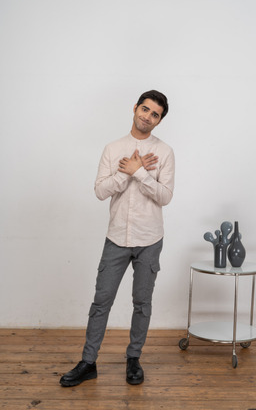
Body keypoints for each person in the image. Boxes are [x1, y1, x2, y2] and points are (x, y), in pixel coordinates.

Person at [60, 90, 175, 387]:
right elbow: (100, 191)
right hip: (116, 238)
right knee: (102, 302)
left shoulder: (165, 153)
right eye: (145, 109)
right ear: (135, 108)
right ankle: (88, 362)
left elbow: (165, 197)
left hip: (150, 239)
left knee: (142, 302)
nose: (147, 117)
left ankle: (133, 359)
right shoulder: (113, 149)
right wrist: (128, 173)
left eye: (155, 114)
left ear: (159, 121)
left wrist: (142, 174)